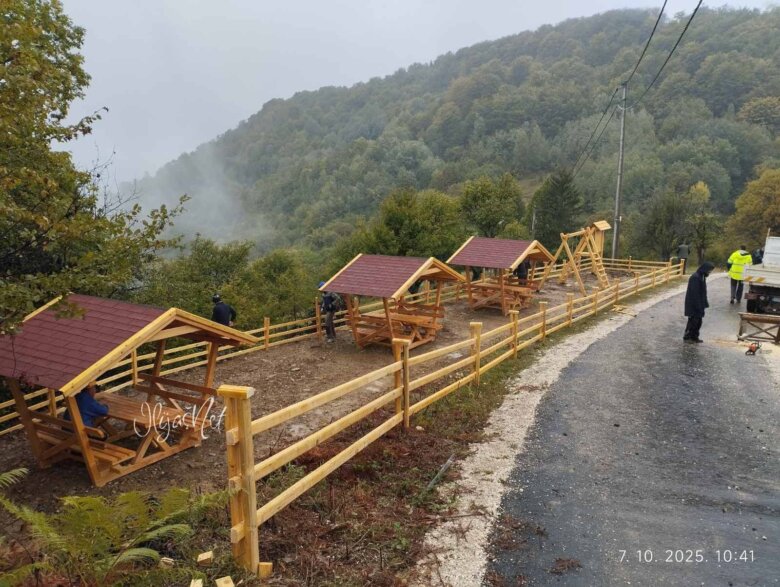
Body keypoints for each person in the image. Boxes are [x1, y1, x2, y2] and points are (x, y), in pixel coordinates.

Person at [684, 261, 715, 343]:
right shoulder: (696, 277)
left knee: (698, 321)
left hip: (699, 304)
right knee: (693, 321)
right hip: (694, 304)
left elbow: (703, 292)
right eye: (709, 270)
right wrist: (698, 306)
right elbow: (695, 293)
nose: (709, 272)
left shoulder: (702, 276)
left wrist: (704, 303)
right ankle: (688, 337)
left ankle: (694, 336)